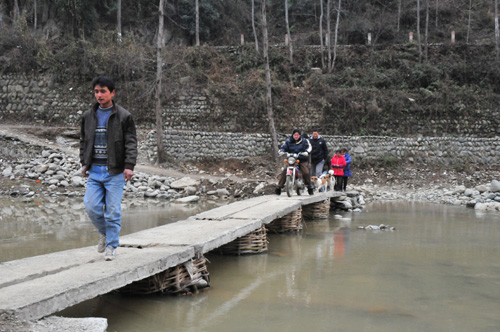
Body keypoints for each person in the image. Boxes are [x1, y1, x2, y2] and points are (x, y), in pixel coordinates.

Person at [80, 76, 138, 261]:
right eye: (96, 91)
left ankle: (112, 246)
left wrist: (129, 166)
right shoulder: (88, 116)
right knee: (91, 207)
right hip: (95, 170)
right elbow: (83, 141)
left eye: (103, 91)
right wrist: (84, 162)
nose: (99, 95)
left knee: (113, 211)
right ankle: (105, 234)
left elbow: (131, 142)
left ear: (112, 93)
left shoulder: (124, 116)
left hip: (115, 171)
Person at [275, 129, 314, 195]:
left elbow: (309, 147)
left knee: (305, 172)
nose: (296, 136)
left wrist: (306, 152)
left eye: (297, 135)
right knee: (284, 171)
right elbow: (283, 147)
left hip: (301, 159)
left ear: (300, 135)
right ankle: (279, 187)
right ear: (293, 135)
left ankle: (309, 187)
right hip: (291, 159)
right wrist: (281, 151)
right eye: (294, 135)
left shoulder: (305, 141)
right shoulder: (288, 141)